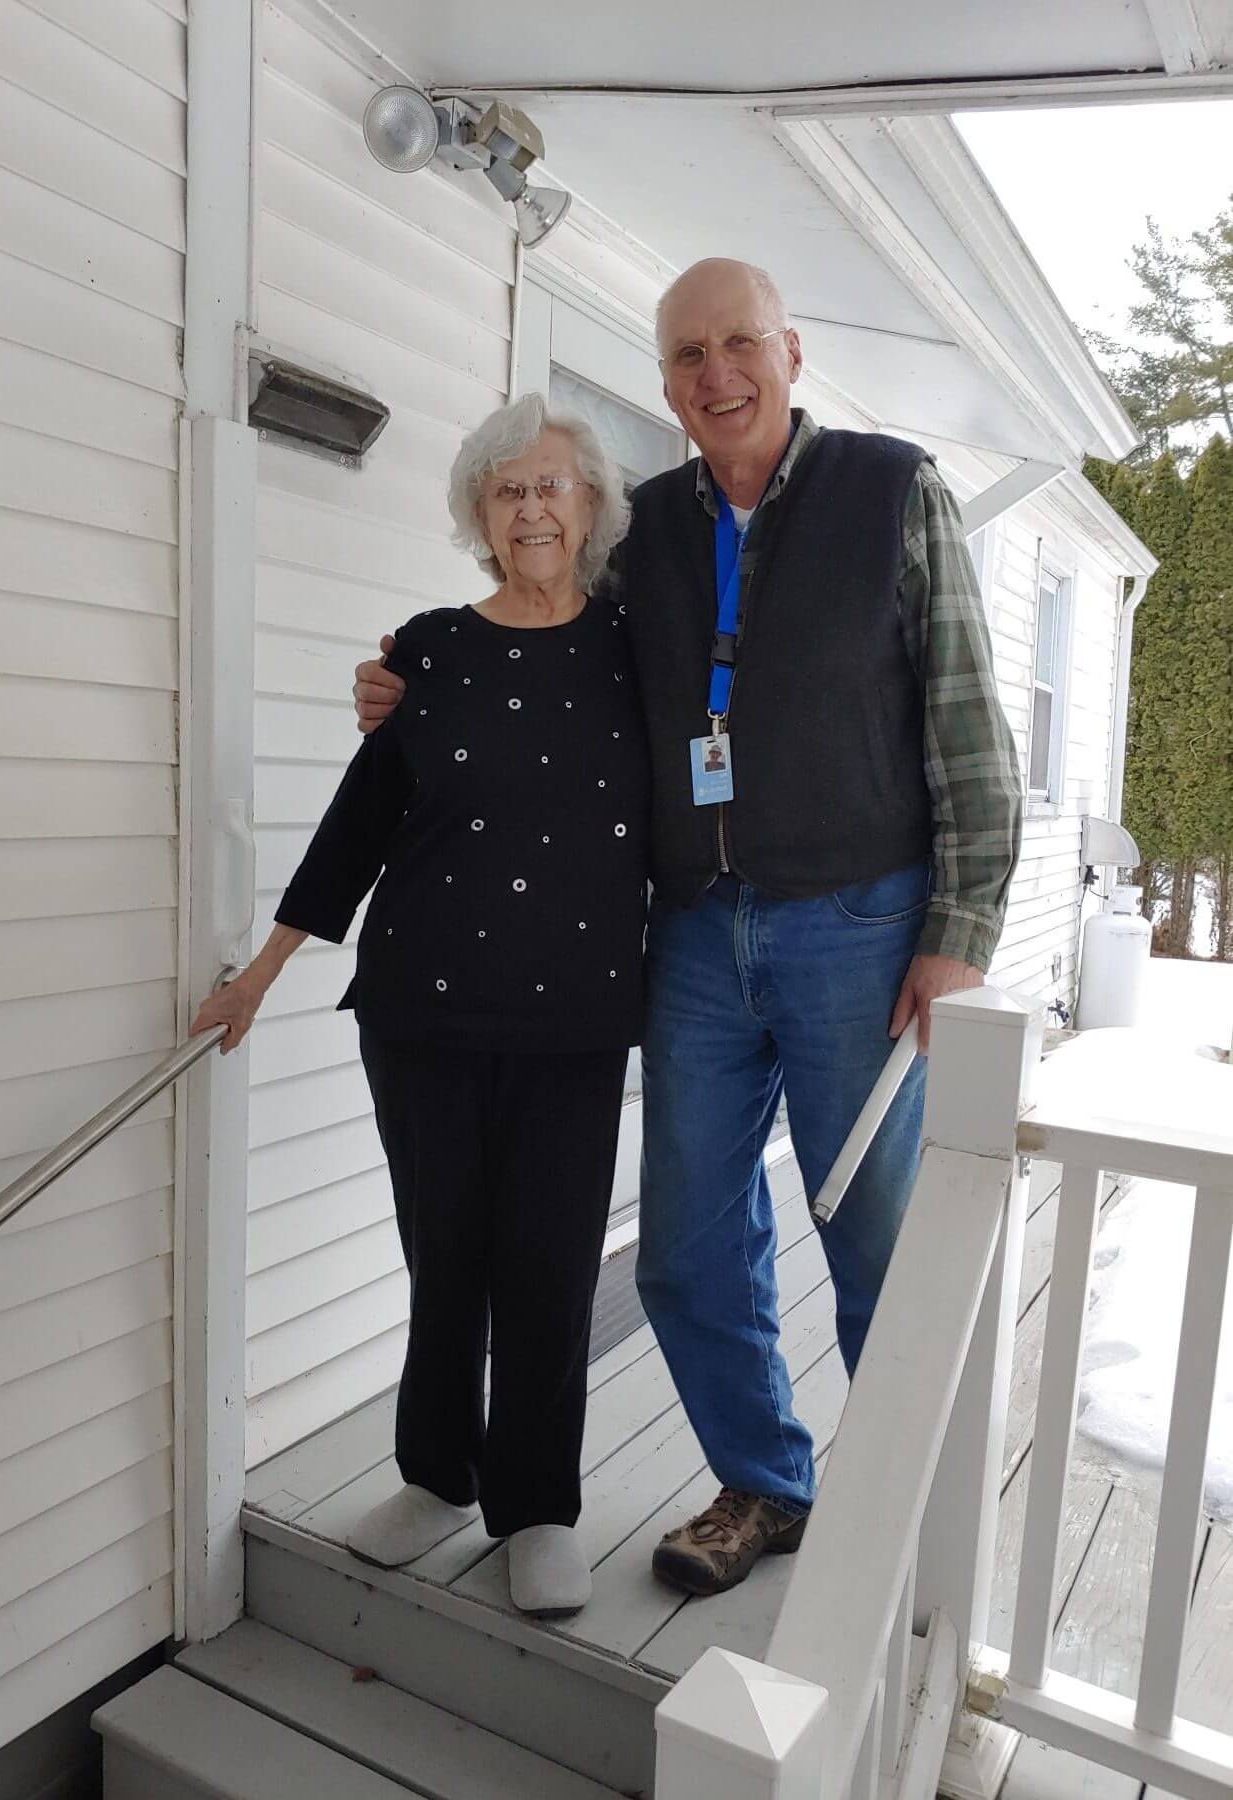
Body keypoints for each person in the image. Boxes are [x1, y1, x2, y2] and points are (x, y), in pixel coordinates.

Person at [353, 258, 1022, 1600]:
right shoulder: (642, 524)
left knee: (872, 1239)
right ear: (663, 382)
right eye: (686, 356)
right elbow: (540, 638)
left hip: (859, 925)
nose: (714, 374)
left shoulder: (892, 490)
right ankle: (765, 1483)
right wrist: (413, 679)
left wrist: (958, 923)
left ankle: (906, 1519)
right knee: (685, 1249)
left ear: (789, 349)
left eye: (737, 346)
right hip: (694, 936)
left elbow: (962, 715)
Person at [191, 393, 648, 1617]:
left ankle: (538, 1506)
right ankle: (438, 1477)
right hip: (423, 1009)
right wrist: (262, 971)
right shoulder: (429, 649)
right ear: (479, 517)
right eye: (508, 491)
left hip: (577, 1019)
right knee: (443, 1258)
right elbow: (361, 826)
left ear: (595, 505)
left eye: (554, 485)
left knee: (549, 1269)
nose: (533, 507)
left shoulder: (636, 646)